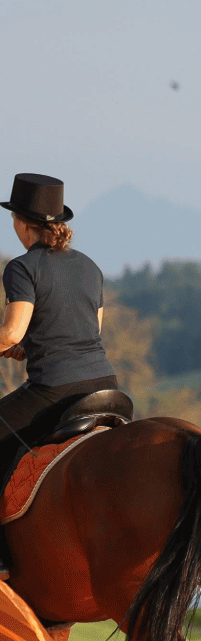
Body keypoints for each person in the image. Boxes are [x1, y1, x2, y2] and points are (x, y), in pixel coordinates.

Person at [0, 173, 119, 461]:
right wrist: (29, 347)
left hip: (55, 390)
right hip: (107, 385)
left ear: (23, 224)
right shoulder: (90, 266)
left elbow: (11, 333)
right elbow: (91, 331)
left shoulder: (22, 268)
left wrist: (14, 342)